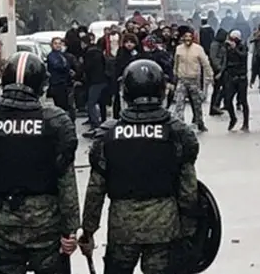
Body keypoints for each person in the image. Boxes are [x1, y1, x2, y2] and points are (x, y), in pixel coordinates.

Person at [78, 59, 200, 273]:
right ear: (162, 91)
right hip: (164, 228)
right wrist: (190, 230)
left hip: (122, 229)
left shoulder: (108, 135)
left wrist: (88, 231)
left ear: (126, 92)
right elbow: (188, 191)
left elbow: (96, 191)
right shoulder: (178, 134)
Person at [0, 52, 80, 274]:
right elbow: (66, 182)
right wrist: (70, 230)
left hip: (3, 220)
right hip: (46, 223)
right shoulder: (55, 122)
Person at [172, 29, 213, 132]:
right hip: (182, 80)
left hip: (194, 80)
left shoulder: (198, 49)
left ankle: (200, 123)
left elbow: (205, 63)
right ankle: (179, 124)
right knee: (179, 103)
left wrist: (210, 76)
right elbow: (176, 63)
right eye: (186, 37)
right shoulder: (179, 49)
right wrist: (175, 74)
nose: (188, 39)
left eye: (190, 37)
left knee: (197, 104)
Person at [222, 30, 250, 131]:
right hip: (231, 76)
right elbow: (225, 61)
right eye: (231, 38)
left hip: (241, 77)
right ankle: (233, 118)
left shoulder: (243, 47)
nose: (232, 41)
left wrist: (235, 49)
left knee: (243, 101)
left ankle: (246, 123)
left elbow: (243, 56)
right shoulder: (228, 47)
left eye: (234, 39)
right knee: (227, 100)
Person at [83, 39, 110, 134]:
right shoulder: (100, 54)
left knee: (91, 103)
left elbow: (87, 68)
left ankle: (95, 124)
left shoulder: (89, 54)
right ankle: (103, 120)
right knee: (102, 103)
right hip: (104, 80)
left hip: (94, 82)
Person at [113, 34, 140, 119]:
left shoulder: (138, 52)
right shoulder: (121, 52)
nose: (129, 44)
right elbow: (118, 65)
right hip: (122, 79)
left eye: (131, 42)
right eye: (127, 42)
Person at [47, 37, 75, 118]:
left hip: (64, 84)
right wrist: (66, 67)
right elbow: (58, 66)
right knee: (61, 107)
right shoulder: (51, 56)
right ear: (52, 45)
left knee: (67, 105)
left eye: (59, 43)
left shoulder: (62, 55)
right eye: (55, 43)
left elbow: (67, 65)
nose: (58, 45)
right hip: (57, 84)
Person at [207, 28, 228, 116]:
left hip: (222, 69)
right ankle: (214, 107)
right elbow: (213, 58)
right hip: (217, 70)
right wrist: (219, 68)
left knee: (223, 88)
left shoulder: (221, 44)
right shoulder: (215, 45)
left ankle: (216, 106)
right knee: (217, 89)